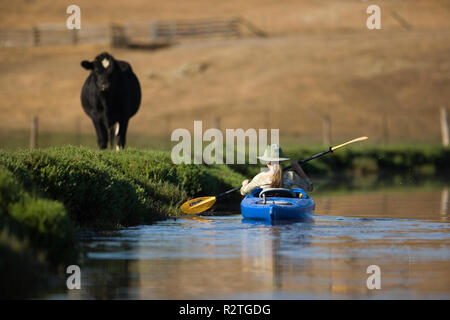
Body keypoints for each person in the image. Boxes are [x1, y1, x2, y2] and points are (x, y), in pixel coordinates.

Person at [240, 144, 313, 196]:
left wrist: (244, 184)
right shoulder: (291, 175)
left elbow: (243, 192)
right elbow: (309, 188)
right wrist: (298, 169)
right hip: (287, 205)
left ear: (267, 162)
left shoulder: (260, 177)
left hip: (266, 204)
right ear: (281, 161)